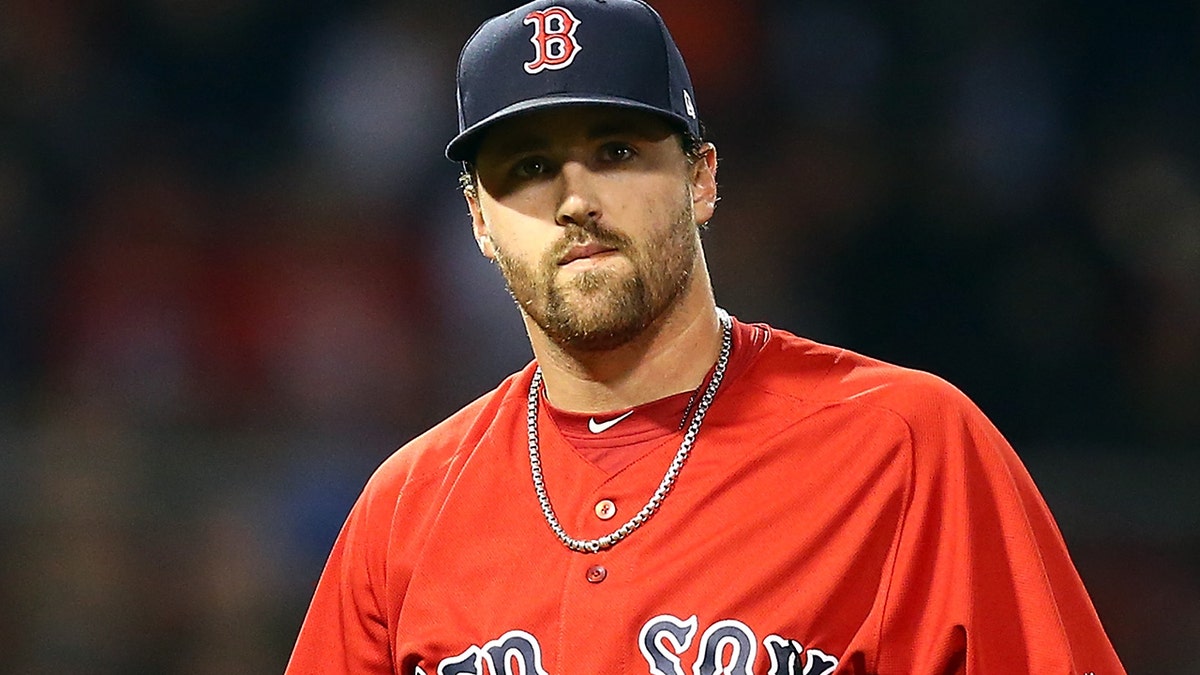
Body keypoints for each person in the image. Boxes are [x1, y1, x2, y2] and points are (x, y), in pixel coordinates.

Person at [285, 1, 1126, 673]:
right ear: (478, 218)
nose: (576, 200)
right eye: (529, 168)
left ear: (701, 178)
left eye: (615, 150)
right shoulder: (407, 510)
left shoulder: (905, 446)